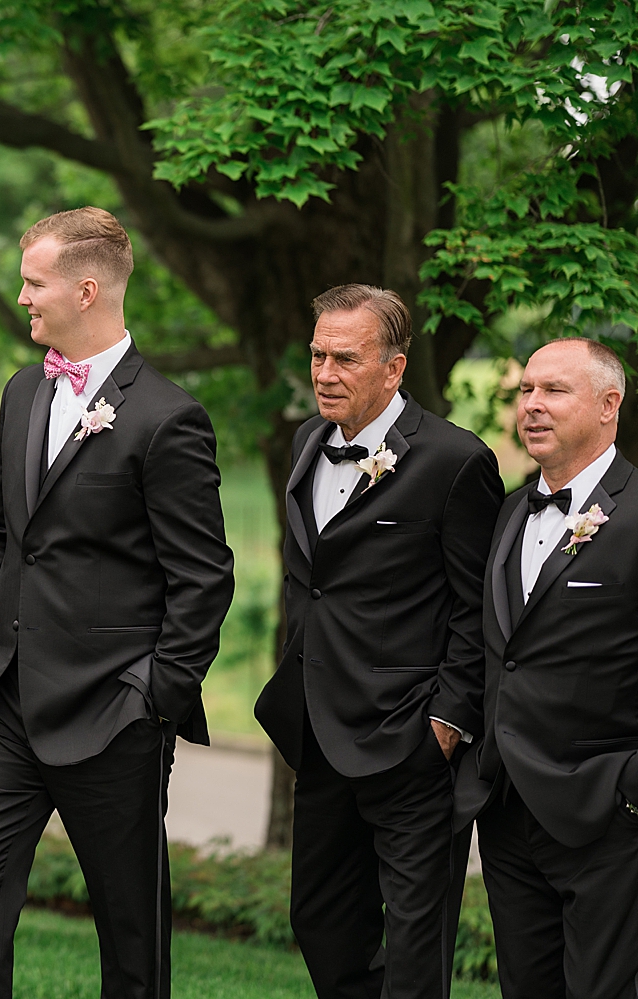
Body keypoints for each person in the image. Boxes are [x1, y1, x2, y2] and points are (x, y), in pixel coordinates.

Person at [0, 207, 235, 998]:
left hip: (112, 714)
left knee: (130, 930)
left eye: (34, 282)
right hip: (3, 700)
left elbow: (202, 578)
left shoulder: (168, 417)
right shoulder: (22, 393)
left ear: (87, 288)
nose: (23, 296)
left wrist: (153, 695)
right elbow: (3, 529)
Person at [253, 284, 503, 999]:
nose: (325, 373)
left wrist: (447, 722)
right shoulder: (308, 440)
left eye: (345, 359)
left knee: (418, 939)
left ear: (393, 369)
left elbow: (474, 607)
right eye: (317, 356)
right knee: (321, 918)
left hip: (412, 739)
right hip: (321, 732)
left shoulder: (454, 461)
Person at [454, 337, 638, 998]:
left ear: (609, 404)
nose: (532, 404)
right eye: (527, 389)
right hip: (508, 812)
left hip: (608, 813)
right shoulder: (510, 508)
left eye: (554, 390)